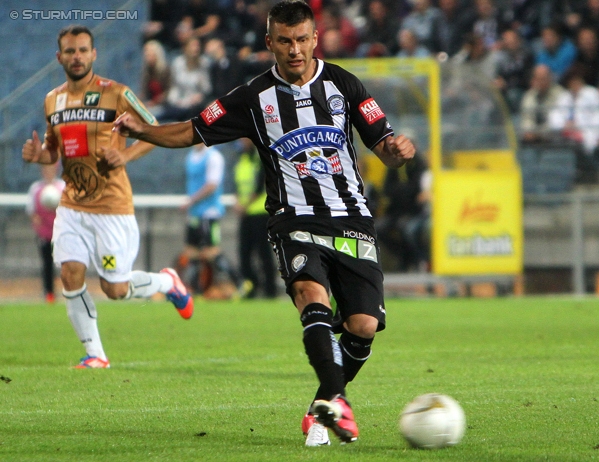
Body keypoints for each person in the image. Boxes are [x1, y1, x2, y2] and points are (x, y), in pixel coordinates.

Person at [113, 0, 416, 446]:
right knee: (310, 296)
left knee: (363, 326)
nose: (295, 50)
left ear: (316, 39)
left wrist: (397, 150)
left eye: (302, 40)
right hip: (292, 219)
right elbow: (191, 130)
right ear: (270, 42)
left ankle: (323, 407)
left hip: (351, 219)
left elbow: (382, 142)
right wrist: (143, 132)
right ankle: (335, 397)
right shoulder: (252, 97)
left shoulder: (345, 85)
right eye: (285, 41)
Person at [21, 25, 194, 370]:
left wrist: (125, 156)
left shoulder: (117, 94)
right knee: (70, 273)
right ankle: (95, 354)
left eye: (83, 50)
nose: (77, 57)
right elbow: (54, 153)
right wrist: (39, 155)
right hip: (72, 205)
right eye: (70, 51)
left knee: (114, 288)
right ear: (59, 57)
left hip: (112, 207)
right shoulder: (52, 100)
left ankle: (166, 282)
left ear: (93, 54)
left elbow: (153, 131)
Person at [180, 142, 243, 296]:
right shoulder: (191, 156)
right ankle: (196, 289)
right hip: (194, 213)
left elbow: (212, 185)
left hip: (209, 212)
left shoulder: (214, 157)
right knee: (191, 251)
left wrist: (191, 200)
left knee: (211, 251)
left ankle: (239, 283)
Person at [233, 138, 278, 299]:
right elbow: (239, 185)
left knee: (264, 253)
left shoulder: (258, 159)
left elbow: (260, 185)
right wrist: (238, 201)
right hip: (246, 213)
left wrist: (244, 205)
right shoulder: (241, 159)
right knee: (244, 253)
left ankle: (270, 290)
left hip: (260, 212)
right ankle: (251, 286)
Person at [25, 163, 65, 303]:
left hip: (61, 234)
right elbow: (31, 211)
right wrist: (35, 219)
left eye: (51, 169)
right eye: (45, 169)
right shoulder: (36, 189)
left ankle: (70, 291)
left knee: (66, 264)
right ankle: (49, 294)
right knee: (47, 264)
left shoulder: (62, 187)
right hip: (45, 233)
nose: (48, 172)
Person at [160, 36, 212, 122]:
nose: (196, 49)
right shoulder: (177, 63)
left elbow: (207, 89)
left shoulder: (204, 63)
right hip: (179, 102)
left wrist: (200, 96)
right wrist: (176, 101)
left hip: (195, 105)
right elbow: (174, 87)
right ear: (185, 48)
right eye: (192, 46)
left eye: (197, 46)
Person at [519, 64, 570, 144]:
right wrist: (529, 132)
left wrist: (538, 134)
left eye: (543, 79)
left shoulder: (561, 95)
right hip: (532, 139)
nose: (540, 82)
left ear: (550, 78)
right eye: (537, 79)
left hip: (555, 139)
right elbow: (527, 118)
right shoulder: (529, 96)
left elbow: (557, 122)